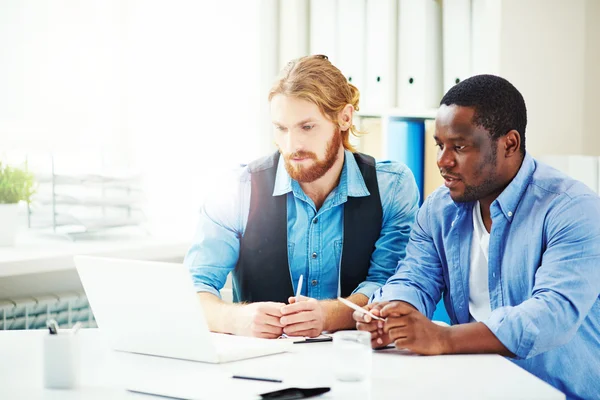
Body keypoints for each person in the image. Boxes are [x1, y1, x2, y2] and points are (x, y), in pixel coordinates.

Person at [353, 74, 600, 399]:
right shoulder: (439, 208)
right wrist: (393, 312)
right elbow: (414, 278)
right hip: (474, 385)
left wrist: (443, 339)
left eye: (460, 146)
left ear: (509, 143)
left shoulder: (573, 209)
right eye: (440, 146)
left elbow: (552, 314)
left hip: (555, 392)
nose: (442, 161)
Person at [184, 55, 419, 339]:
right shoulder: (238, 188)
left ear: (344, 118)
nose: (292, 145)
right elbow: (191, 290)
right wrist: (237, 319)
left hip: (357, 360)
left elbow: (391, 287)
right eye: (282, 128)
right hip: (262, 366)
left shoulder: (392, 187)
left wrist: (328, 316)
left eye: (307, 127)